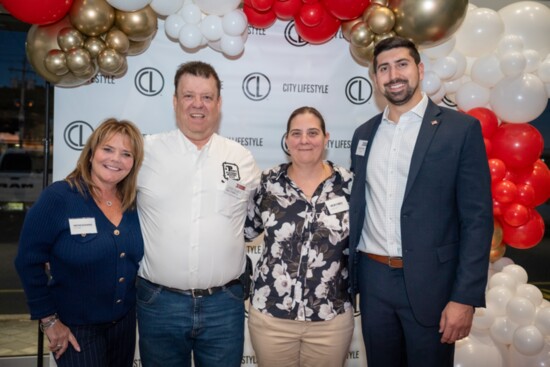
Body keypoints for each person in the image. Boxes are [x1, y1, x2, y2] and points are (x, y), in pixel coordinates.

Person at [349, 36, 494, 367]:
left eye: (402, 64)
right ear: (374, 78)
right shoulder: (364, 134)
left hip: (434, 285)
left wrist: (464, 298)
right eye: (383, 68)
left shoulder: (460, 129)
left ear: (420, 69)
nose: (393, 74)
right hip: (373, 283)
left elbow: (477, 218)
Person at [136, 60, 261, 367]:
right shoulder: (144, 152)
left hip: (224, 305)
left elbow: (256, 219)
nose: (198, 105)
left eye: (207, 97)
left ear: (218, 103)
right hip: (158, 304)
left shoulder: (240, 158)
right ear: (175, 101)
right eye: (189, 95)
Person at [14, 118, 145, 367]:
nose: (116, 159)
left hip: (124, 326)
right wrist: (49, 321)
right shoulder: (59, 197)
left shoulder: (132, 203)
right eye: (108, 149)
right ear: (92, 152)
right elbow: (28, 262)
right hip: (76, 330)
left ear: (134, 163)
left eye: (126, 154)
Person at [245, 106, 354, 367]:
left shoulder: (348, 184)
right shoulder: (267, 183)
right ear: (287, 139)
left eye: (312, 133)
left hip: (331, 318)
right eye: (296, 133)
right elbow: (247, 231)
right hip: (272, 316)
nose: (304, 140)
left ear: (326, 138)